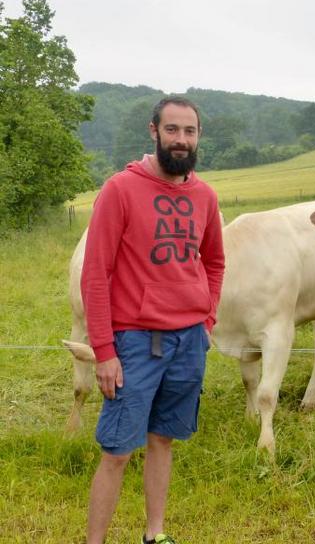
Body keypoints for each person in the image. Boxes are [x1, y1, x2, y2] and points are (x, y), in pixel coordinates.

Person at [81, 96, 225, 544]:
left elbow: (215, 261)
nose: (181, 140)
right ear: (154, 131)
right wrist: (105, 351)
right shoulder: (120, 189)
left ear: (198, 136)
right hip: (136, 342)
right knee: (118, 450)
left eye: (190, 131)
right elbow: (96, 273)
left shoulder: (204, 195)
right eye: (173, 130)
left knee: (163, 439)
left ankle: (154, 534)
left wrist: (207, 318)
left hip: (188, 341)